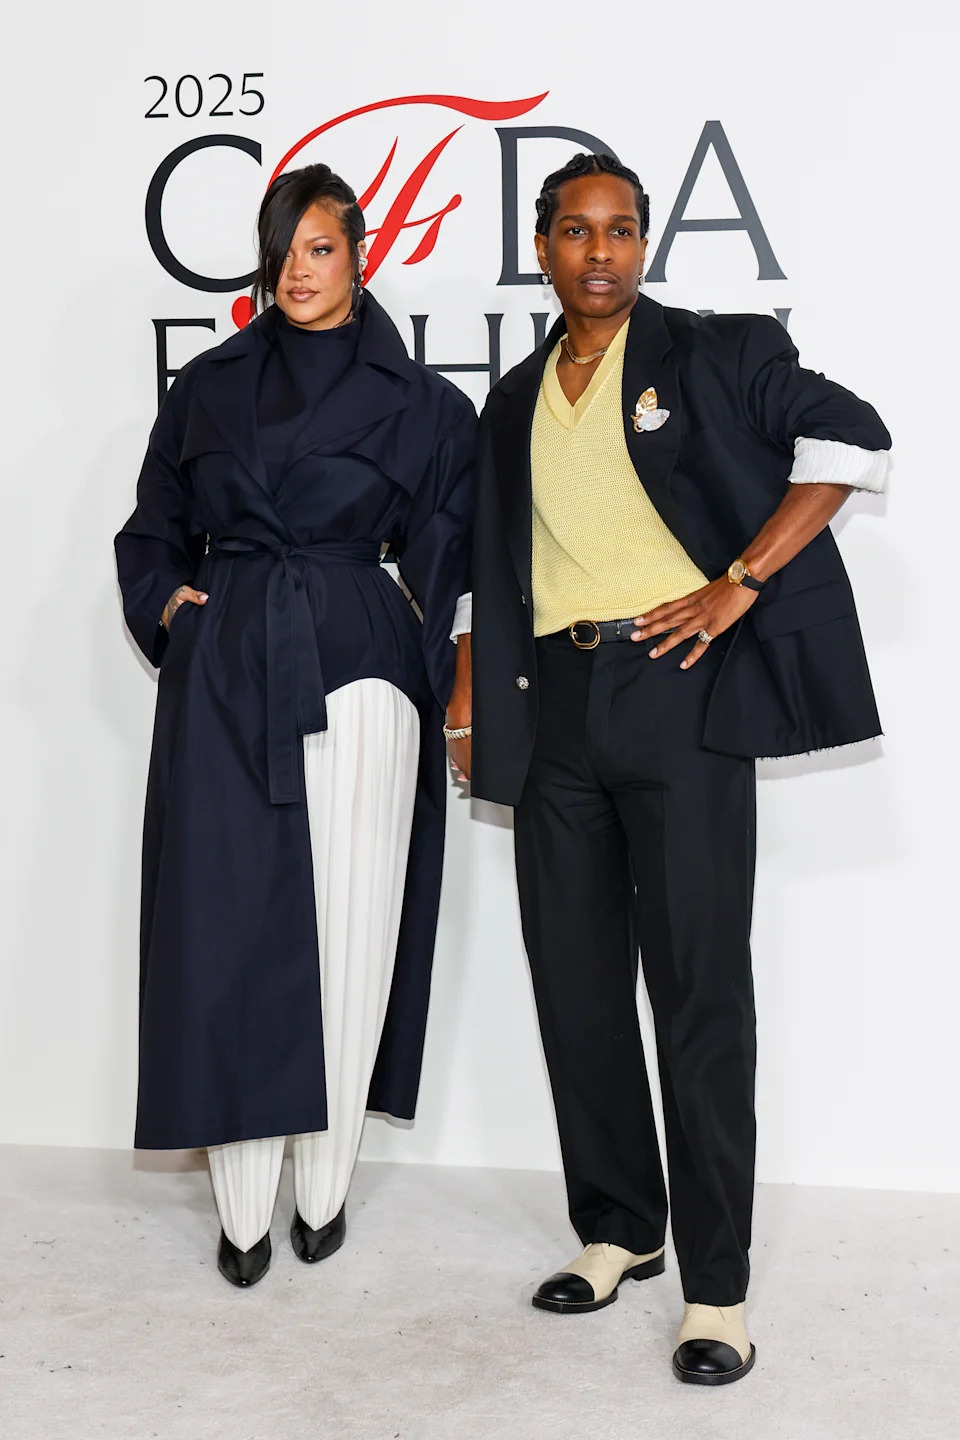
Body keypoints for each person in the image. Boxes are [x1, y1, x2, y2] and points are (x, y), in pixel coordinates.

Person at [456, 151, 890, 1384]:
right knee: (576, 986)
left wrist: (740, 582)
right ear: (540, 248)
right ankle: (616, 1229)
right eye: (577, 232)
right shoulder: (511, 399)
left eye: (623, 231)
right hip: (558, 708)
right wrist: (475, 704)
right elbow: (500, 561)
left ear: (644, 245)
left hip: (680, 695)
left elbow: (854, 439)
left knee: (697, 990)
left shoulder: (715, 350)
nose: (601, 253)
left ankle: (717, 1290)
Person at [115, 163, 475, 1288]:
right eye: (280, 251)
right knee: (223, 927)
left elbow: (452, 562)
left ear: (359, 253)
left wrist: (437, 688)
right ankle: (241, 1206)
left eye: (318, 248)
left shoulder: (427, 404)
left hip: (363, 669)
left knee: (351, 922)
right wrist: (170, 603)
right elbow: (150, 528)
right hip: (226, 670)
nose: (296, 272)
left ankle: (324, 1186)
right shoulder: (207, 385)